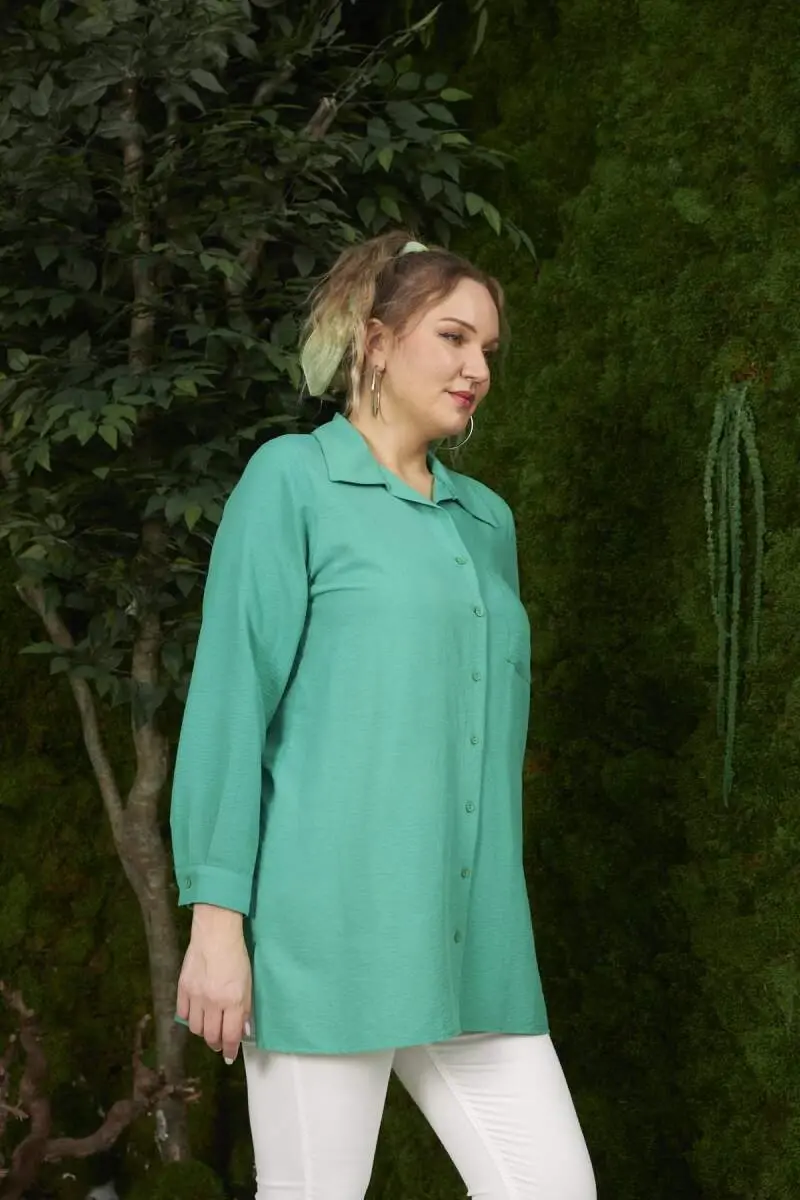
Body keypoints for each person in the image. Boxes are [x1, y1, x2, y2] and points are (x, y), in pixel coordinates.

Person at [170, 230, 596, 1200]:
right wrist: (216, 923)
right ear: (373, 340)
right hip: (324, 937)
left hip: (472, 942)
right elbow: (232, 704)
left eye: (487, 348)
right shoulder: (292, 481)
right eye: (452, 337)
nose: (476, 368)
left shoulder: (484, 521)